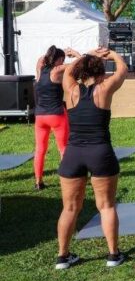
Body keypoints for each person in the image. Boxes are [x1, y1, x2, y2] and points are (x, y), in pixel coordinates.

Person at [55, 47, 128, 270]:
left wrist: (87, 56)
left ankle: (62, 257)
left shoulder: (71, 89)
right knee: (106, 206)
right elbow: (122, 69)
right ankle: (113, 255)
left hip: (73, 154)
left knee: (69, 208)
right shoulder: (104, 89)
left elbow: (69, 72)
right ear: (101, 72)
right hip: (100, 153)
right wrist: (112, 54)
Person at [33, 45, 80, 190]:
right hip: (57, 115)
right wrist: (75, 53)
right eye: (62, 60)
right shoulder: (58, 71)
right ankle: (67, 180)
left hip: (40, 116)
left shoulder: (40, 68)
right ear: (59, 60)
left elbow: (43, 58)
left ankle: (38, 181)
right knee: (63, 148)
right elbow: (81, 63)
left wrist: (55, 55)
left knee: (40, 149)